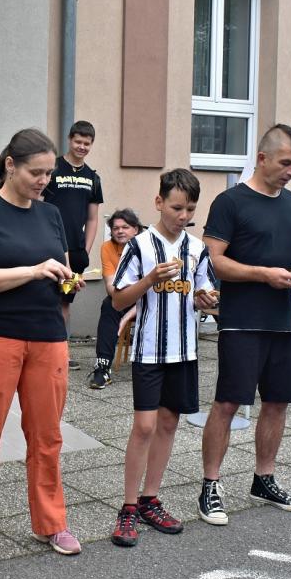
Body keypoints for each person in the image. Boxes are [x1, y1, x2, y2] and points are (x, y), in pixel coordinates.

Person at [0, 128, 84, 571]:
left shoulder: (51, 214)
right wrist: (32, 270)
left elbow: (60, 268)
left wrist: (68, 280)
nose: (43, 181)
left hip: (48, 336)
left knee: (48, 437)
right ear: (10, 165)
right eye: (36, 172)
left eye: (49, 173)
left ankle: (51, 522)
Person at [197, 124, 291, 526]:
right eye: (286, 162)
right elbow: (212, 260)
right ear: (262, 158)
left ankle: (264, 479)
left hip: (284, 320)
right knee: (227, 403)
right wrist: (262, 274)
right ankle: (210, 485)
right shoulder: (230, 202)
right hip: (242, 321)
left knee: (277, 402)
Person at [107, 169, 216, 547]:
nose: (183, 216)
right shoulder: (139, 245)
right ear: (158, 202)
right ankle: (127, 507)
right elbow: (118, 300)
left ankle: (150, 499)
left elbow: (204, 296)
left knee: (169, 424)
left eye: (190, 209)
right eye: (176, 208)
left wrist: (206, 300)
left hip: (184, 351)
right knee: (144, 427)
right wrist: (150, 279)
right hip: (149, 350)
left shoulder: (197, 248)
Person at [41, 120, 103, 369]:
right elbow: (38, 204)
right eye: (78, 141)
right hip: (49, 248)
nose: (82, 147)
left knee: (64, 302)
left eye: (87, 143)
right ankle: (41, 351)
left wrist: (85, 251)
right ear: (69, 139)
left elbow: (93, 218)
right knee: (44, 299)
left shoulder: (92, 178)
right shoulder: (53, 169)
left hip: (75, 252)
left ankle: (61, 354)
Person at [87, 208, 143, 389]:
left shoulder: (147, 246)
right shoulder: (107, 247)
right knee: (109, 305)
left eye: (125, 227)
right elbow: (111, 286)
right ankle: (102, 367)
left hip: (152, 298)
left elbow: (153, 288)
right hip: (124, 297)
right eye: (115, 228)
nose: (119, 231)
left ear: (136, 229)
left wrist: (128, 315)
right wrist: (122, 301)